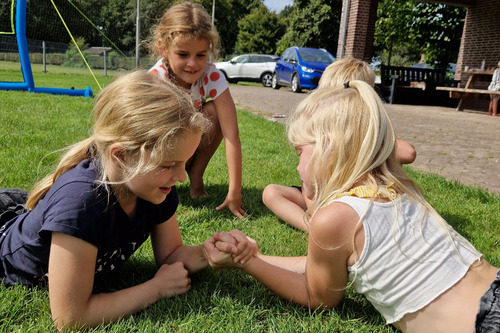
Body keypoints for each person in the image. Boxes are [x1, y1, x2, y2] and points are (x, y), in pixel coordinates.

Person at [204, 81, 500, 333]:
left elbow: (318, 295)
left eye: (299, 152)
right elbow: (323, 267)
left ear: (328, 146)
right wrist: (254, 255)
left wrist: (248, 264)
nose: (296, 165)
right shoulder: (400, 189)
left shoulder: (334, 218)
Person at [0, 71, 253, 330]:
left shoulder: (156, 186)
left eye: (184, 164)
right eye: (168, 165)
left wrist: (208, 252)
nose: (181, 177)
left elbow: (170, 254)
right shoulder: (81, 203)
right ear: (120, 156)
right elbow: (69, 318)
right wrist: (154, 289)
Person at [262, 58, 417, 232]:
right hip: (322, 196)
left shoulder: (371, 131)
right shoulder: (316, 131)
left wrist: (374, 144)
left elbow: (408, 152)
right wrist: (316, 210)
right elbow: (308, 186)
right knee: (271, 192)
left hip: (360, 198)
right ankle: (312, 227)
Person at [148, 1, 246, 218]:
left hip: (191, 148)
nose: (192, 64)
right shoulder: (155, 80)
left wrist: (235, 191)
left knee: (215, 114)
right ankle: (165, 179)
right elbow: (143, 139)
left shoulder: (212, 76)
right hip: (163, 150)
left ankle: (196, 175)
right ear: (164, 48)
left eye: (200, 55)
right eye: (183, 54)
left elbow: (232, 135)